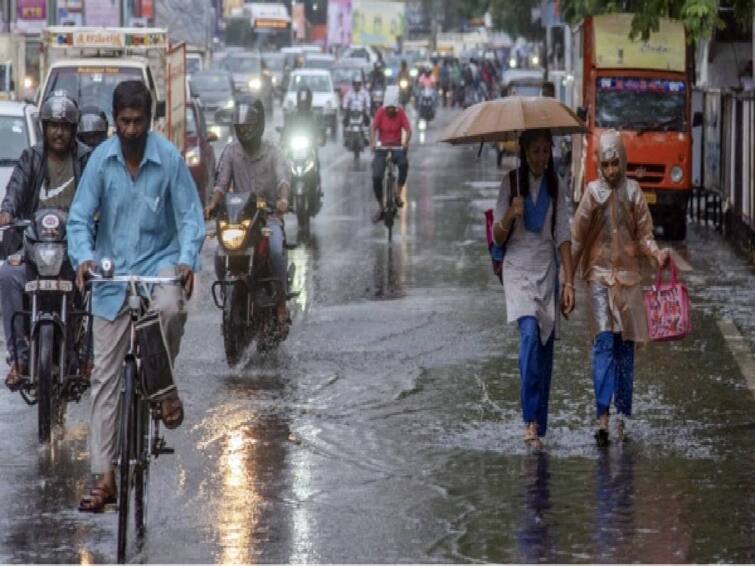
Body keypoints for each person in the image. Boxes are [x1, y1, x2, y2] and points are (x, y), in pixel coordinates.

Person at [68, 80, 204, 512]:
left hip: (157, 266)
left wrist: (185, 261)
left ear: (150, 121)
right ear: (114, 122)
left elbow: (189, 217)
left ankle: (162, 386)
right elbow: (78, 218)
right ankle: (104, 476)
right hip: (112, 275)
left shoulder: (168, 160)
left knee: (168, 304)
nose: (130, 129)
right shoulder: (100, 164)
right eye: (123, 121)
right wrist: (83, 259)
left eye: (138, 121)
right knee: (104, 380)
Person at [571, 130, 669, 445]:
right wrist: (566, 282)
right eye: (606, 165)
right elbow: (575, 239)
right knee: (603, 344)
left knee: (626, 348)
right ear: (599, 164)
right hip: (599, 278)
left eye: (616, 164)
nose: (611, 171)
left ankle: (623, 416)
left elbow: (644, 234)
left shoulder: (635, 193)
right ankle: (602, 417)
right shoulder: (591, 194)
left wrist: (656, 253)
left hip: (628, 281)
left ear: (623, 162)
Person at [0, 91, 91, 389]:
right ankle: (21, 358)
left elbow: (98, 196)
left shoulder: (86, 159)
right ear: (44, 127)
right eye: (53, 125)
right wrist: (7, 212)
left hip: (75, 250)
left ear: (74, 130)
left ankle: (88, 358)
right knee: (8, 277)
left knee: (99, 284)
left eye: (65, 126)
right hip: (34, 246)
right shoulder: (32, 157)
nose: (59, 132)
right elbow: (15, 188)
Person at [492, 128, 574, 449]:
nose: (540, 157)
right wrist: (511, 215)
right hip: (517, 271)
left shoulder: (556, 186)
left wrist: (569, 280)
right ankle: (528, 421)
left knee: (544, 349)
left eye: (545, 151)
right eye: (534, 151)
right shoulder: (510, 184)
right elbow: (498, 237)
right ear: (524, 152)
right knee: (528, 336)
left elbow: (564, 236)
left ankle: (540, 422)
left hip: (547, 270)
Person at [204, 95, 291, 333]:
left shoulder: (273, 151)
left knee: (274, 249)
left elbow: (284, 178)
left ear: (260, 125)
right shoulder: (231, 152)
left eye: (250, 126)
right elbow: (221, 184)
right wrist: (213, 204)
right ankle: (227, 294)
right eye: (241, 127)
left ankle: (281, 303)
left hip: (267, 218)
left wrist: (283, 199)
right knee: (220, 253)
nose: (245, 131)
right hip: (239, 219)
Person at [370, 85, 411, 221]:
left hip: (397, 148)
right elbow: (373, 128)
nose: (390, 111)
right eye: (388, 109)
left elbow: (408, 130)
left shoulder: (401, 113)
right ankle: (381, 207)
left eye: (392, 109)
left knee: (404, 164)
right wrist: (372, 143)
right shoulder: (380, 112)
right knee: (377, 176)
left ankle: (398, 194)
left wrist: (405, 143)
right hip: (382, 149)